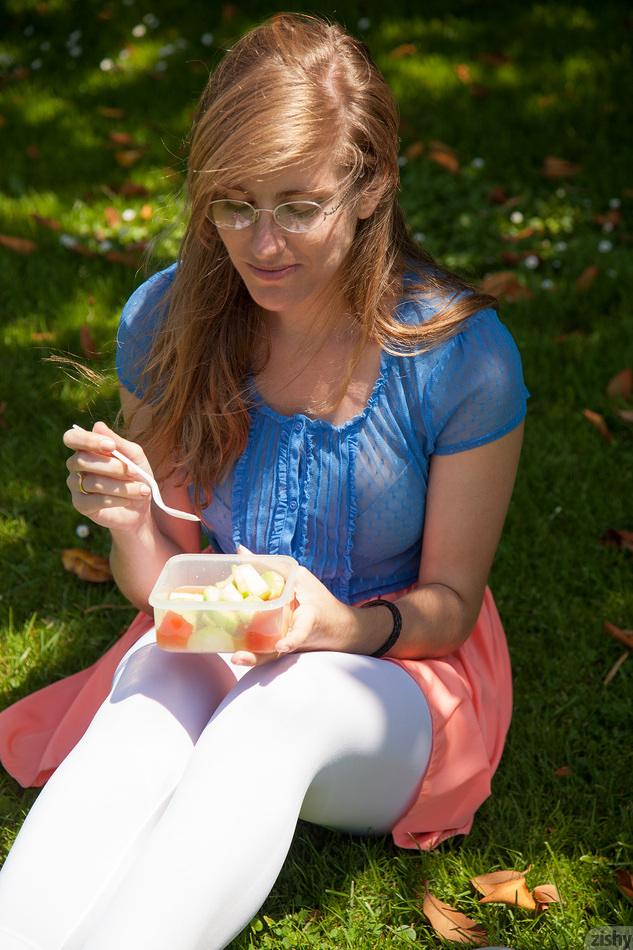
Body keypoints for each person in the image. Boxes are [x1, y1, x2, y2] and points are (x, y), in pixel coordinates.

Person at [0, 12, 530, 950]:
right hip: (227, 639)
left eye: (297, 205)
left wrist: (337, 627)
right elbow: (164, 587)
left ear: (371, 187)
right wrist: (131, 523)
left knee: (270, 715)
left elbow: (448, 605)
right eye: (233, 204)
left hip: (396, 668)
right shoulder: (169, 319)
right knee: (150, 687)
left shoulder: (458, 358)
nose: (260, 244)